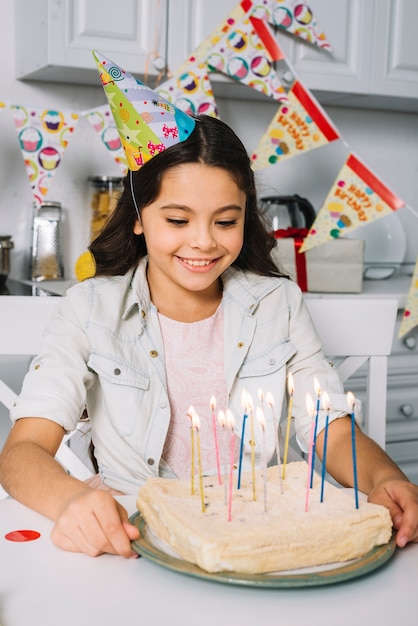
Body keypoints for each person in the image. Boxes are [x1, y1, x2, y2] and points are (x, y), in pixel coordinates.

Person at [1, 65, 418, 560]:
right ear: (138, 218)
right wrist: (72, 499)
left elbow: (330, 427)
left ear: (246, 217)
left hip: (256, 539)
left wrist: (385, 476)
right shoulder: (89, 309)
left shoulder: (276, 304)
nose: (203, 241)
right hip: (133, 541)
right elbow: (22, 453)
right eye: (177, 219)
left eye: (226, 221)